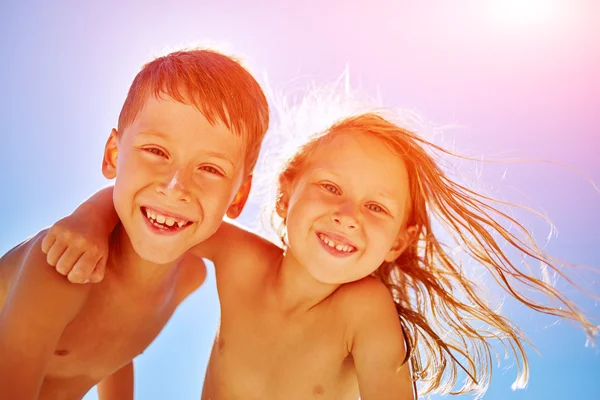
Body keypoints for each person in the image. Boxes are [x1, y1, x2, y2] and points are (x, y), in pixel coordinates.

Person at [43, 112, 597, 399]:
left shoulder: (363, 309)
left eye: (376, 209)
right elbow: (161, 205)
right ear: (286, 194)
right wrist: (84, 224)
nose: (347, 214)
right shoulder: (239, 260)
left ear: (397, 243)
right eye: (331, 188)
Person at [0, 48, 269, 400]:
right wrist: (90, 215)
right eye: (156, 151)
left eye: (210, 169)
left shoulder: (190, 277)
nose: (175, 188)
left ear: (238, 195)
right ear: (114, 154)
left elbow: (112, 351)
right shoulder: (62, 265)